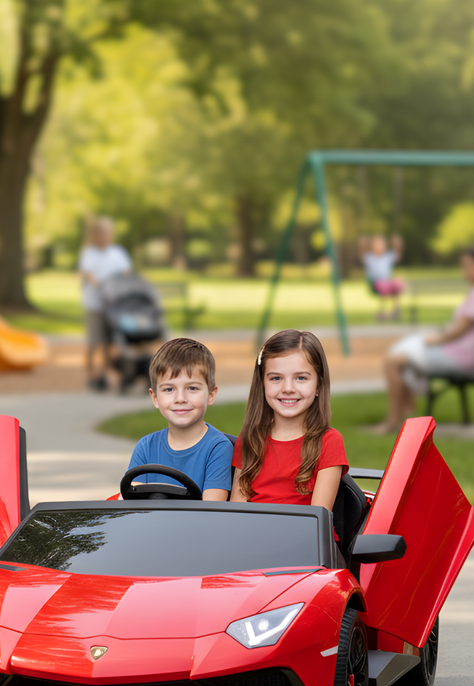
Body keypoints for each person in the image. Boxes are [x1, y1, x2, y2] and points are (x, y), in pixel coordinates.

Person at [375, 247, 474, 433]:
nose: (465, 271)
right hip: (457, 352)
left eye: (469, 266)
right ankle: (406, 413)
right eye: (463, 266)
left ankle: (393, 422)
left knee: (393, 362)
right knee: (403, 352)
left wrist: (437, 340)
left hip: (460, 357)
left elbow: (460, 329)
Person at [231, 329, 347, 513]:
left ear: (318, 385)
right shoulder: (249, 438)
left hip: (308, 539)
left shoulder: (329, 442)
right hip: (251, 537)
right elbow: (235, 514)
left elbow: (317, 520)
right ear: (262, 384)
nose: (288, 388)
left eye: (301, 378)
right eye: (276, 378)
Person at [125, 337, 234, 501]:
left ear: (211, 395)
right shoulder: (146, 447)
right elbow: (132, 506)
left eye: (192, 388)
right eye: (169, 389)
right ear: (154, 398)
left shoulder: (218, 448)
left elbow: (212, 512)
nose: (180, 398)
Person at [78, 215, 132, 391]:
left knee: (109, 343)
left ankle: (105, 374)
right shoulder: (89, 253)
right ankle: (91, 375)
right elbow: (88, 274)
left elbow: (126, 271)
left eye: (106, 232)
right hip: (95, 303)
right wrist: (101, 284)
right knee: (94, 341)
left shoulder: (118, 252)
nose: (103, 236)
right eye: (100, 233)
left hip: (113, 304)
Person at [359, 234, 405, 321]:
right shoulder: (369, 257)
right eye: (377, 244)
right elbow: (362, 253)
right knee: (383, 286)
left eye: (381, 244)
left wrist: (398, 244)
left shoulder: (388, 256)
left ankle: (396, 310)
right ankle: (382, 311)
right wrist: (362, 244)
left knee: (397, 282)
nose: (379, 246)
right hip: (375, 283)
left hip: (387, 282)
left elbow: (398, 255)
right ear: (372, 246)